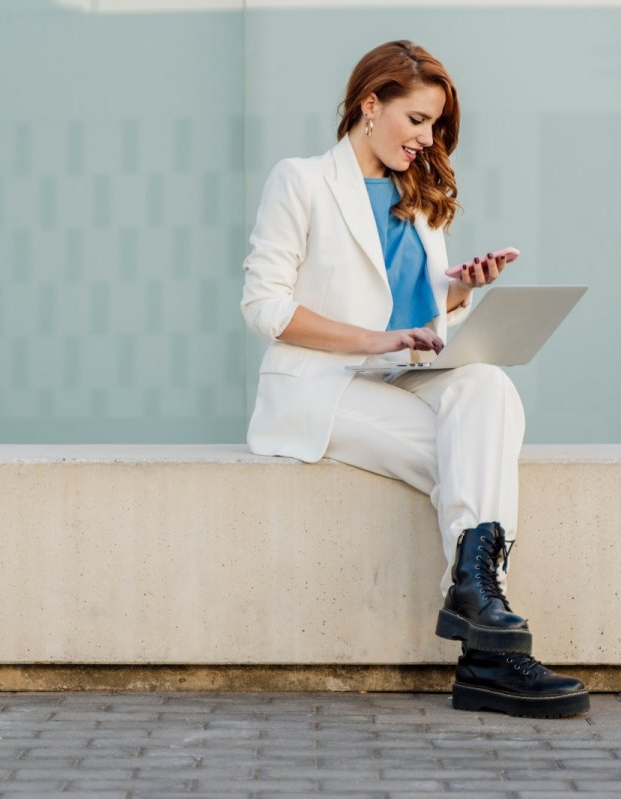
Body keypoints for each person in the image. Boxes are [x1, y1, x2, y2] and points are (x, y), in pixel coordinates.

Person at [239, 40, 589, 718]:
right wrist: (376, 338)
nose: (428, 140)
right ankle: (491, 651)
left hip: (403, 375)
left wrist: (459, 291)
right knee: (476, 463)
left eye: (435, 126)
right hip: (319, 387)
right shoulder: (302, 180)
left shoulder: (418, 198)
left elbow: (419, 316)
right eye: (417, 120)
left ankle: (478, 614)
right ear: (371, 104)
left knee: (488, 387)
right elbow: (264, 307)